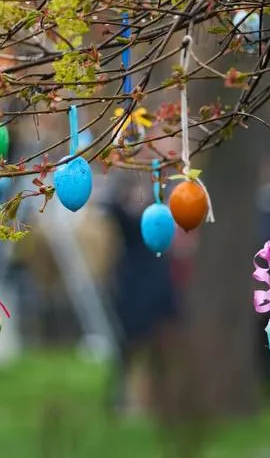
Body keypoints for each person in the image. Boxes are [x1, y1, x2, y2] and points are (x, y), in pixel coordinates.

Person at [107, 177, 180, 415]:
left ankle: (158, 399)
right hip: (135, 291)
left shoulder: (158, 218)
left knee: (160, 352)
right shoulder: (125, 219)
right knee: (130, 351)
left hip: (154, 289)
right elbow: (113, 209)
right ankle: (128, 401)